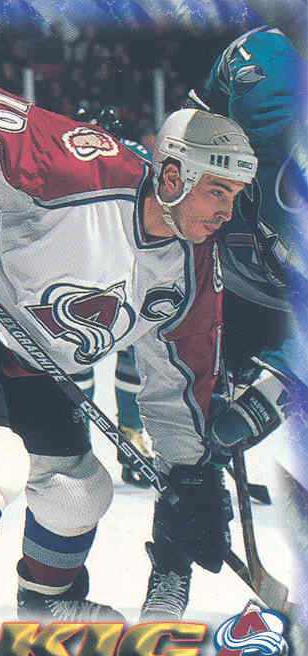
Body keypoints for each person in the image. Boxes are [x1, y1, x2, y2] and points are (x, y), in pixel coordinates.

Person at [0, 84, 257, 622]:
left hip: (32, 352)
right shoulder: (85, 166)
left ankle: (45, 601)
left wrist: (190, 477)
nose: (226, 211)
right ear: (174, 177)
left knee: (79, 489)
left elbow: (178, 385)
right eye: (218, 192)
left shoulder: (192, 271)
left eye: (235, 195)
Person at [85, 27, 305, 619]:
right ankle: (171, 567)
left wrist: (274, 390)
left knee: (249, 419)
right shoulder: (268, 76)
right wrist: (131, 156)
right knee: (192, 433)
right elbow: (196, 127)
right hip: (222, 280)